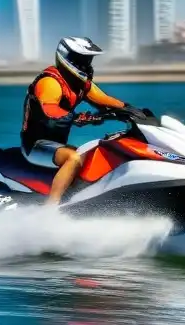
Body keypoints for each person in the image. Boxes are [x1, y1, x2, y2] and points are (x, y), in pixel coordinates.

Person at [20, 36, 132, 205]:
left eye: (88, 60)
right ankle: (51, 208)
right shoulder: (50, 82)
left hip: (57, 145)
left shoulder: (80, 84)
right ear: (67, 59)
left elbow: (105, 100)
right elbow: (51, 110)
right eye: (82, 60)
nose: (86, 64)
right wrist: (79, 116)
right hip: (36, 145)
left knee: (100, 151)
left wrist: (131, 109)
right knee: (73, 158)